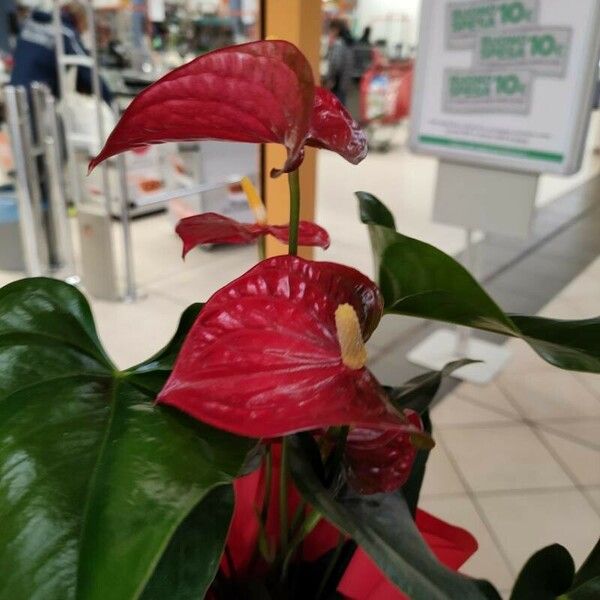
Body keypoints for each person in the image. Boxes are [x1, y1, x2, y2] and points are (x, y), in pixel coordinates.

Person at [10, 1, 112, 104]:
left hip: (14, 93)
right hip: (38, 98)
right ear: (81, 19)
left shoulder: (29, 26)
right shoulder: (65, 33)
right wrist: (109, 99)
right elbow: (87, 71)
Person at [326, 18, 354, 106]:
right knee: (342, 108)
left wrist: (331, 79)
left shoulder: (338, 43)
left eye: (331, 30)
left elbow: (336, 63)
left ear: (336, 30)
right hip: (344, 81)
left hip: (337, 82)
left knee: (335, 107)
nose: (329, 33)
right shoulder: (348, 43)